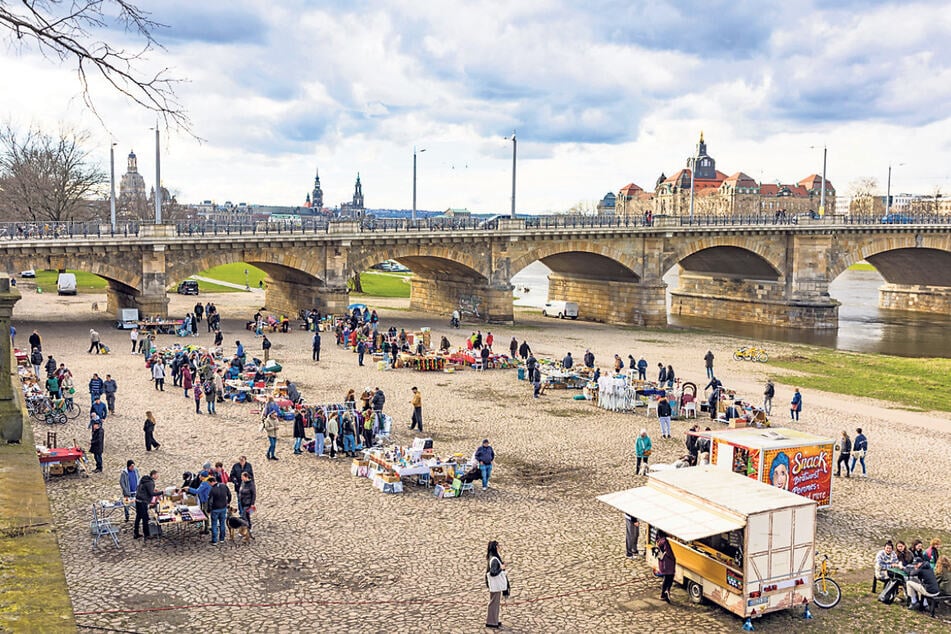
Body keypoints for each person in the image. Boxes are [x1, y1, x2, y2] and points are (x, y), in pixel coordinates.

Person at [484, 541, 508, 629]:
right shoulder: (494, 559)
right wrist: (501, 569)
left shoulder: (491, 557)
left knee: (495, 602)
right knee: (494, 603)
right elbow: (493, 572)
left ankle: (494, 619)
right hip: (496, 585)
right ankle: (492, 621)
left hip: (494, 585)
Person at [133, 469, 158, 539]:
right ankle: (146, 534)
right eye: (156, 475)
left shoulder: (144, 480)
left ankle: (136, 533)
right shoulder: (150, 482)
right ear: (153, 475)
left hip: (137, 500)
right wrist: (161, 492)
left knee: (138, 517)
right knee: (145, 518)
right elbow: (151, 493)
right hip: (143, 501)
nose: (157, 476)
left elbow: (144, 489)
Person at [207, 475, 232, 545]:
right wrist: (228, 502)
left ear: (212, 482)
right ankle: (222, 539)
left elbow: (210, 501)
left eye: (209, 483)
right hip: (223, 508)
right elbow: (229, 495)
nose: (209, 485)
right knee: (222, 523)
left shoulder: (212, 490)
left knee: (214, 524)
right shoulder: (224, 486)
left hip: (215, 509)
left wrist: (209, 510)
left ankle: (214, 540)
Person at [656, 531, 676, 602]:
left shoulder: (659, 540)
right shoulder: (665, 542)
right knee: (669, 578)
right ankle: (665, 592)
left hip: (663, 563)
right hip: (668, 563)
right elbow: (669, 553)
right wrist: (674, 558)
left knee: (667, 578)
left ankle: (664, 593)